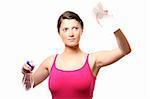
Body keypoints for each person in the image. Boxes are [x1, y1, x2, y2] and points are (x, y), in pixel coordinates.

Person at [22, 6, 131, 99]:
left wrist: (112, 25)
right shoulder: (50, 62)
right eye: (65, 29)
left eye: (75, 28)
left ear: (81, 30)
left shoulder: (93, 60)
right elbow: (28, 86)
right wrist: (27, 74)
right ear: (59, 33)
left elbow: (124, 50)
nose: (71, 33)